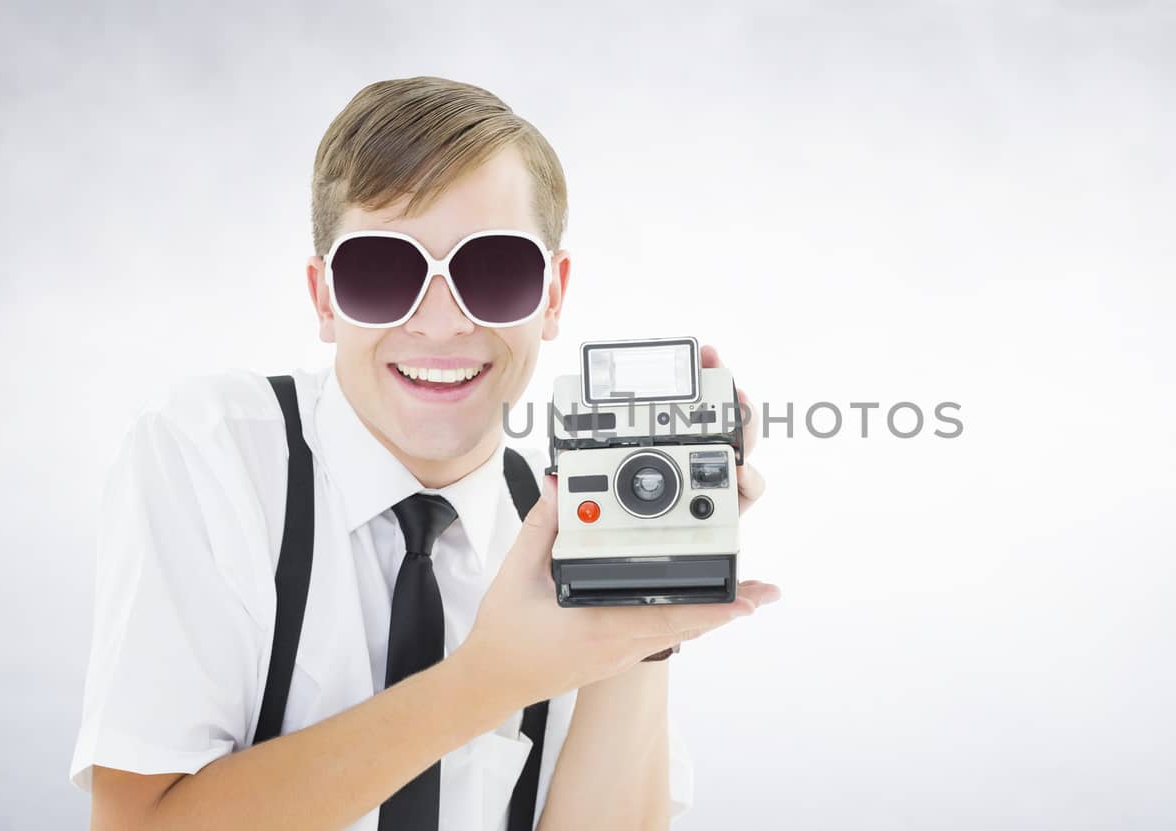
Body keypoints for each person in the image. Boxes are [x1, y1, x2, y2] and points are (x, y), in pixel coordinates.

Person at [69, 76, 779, 831]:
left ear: (552, 295)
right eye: (383, 272)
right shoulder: (214, 455)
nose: (440, 324)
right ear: (323, 298)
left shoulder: (566, 521)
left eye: (494, 271)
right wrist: (489, 680)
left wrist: (641, 619)